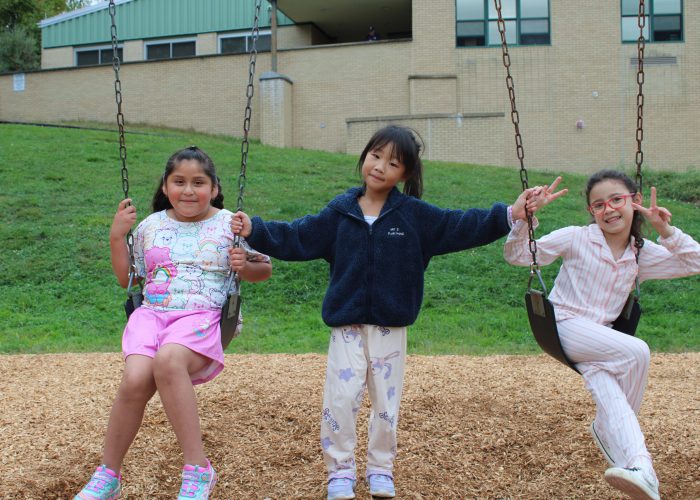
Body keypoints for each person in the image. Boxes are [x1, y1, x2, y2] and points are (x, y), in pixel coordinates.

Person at [230, 125, 545, 500]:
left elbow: (461, 225)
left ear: (405, 174)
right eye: (375, 156)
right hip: (346, 324)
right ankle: (340, 472)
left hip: (390, 327)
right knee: (341, 399)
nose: (380, 167)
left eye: (392, 163)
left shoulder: (414, 216)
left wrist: (511, 213)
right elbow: (299, 235)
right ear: (364, 157)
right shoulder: (339, 212)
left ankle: (380, 468)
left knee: (385, 403)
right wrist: (257, 229)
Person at [75, 146, 272, 500]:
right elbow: (128, 279)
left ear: (214, 189)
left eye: (199, 182)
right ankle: (108, 474)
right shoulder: (151, 226)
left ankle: (198, 468)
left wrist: (245, 264)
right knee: (135, 379)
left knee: (168, 361)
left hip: (201, 317)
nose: (188, 190)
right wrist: (116, 237)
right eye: (178, 182)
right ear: (165, 187)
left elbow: (264, 269)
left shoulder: (231, 224)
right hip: (152, 316)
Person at [504, 170, 700, 500]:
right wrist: (526, 218)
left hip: (599, 343)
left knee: (610, 386)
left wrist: (665, 230)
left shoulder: (641, 252)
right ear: (591, 212)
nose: (608, 209)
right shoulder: (576, 237)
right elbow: (519, 256)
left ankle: (640, 468)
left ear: (635, 202)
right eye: (598, 205)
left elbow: (694, 262)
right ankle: (613, 433)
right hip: (562, 326)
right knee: (637, 352)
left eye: (616, 200)